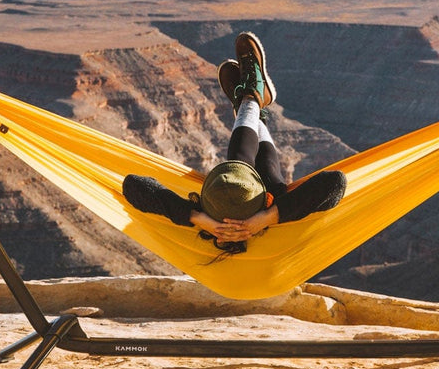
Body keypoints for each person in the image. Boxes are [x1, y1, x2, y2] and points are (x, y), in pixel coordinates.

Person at [123, 32, 346, 254]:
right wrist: (267, 218)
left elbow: (132, 186)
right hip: (274, 221)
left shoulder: (208, 221)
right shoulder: (279, 218)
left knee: (245, 168)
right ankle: (252, 98)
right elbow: (336, 182)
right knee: (258, 170)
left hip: (250, 216)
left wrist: (199, 218)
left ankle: (249, 104)